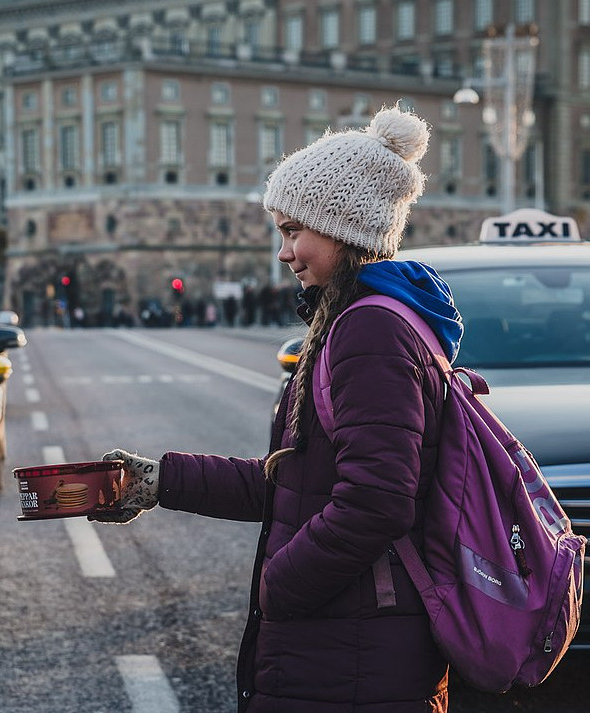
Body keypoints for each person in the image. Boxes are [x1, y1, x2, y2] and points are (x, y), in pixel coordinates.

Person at [92, 106, 463, 712]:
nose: (284, 253)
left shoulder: (369, 331)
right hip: (349, 646)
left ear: (344, 228)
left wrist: (281, 586)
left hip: (351, 657)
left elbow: (376, 502)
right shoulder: (356, 322)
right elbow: (297, 482)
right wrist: (158, 482)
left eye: (294, 232)